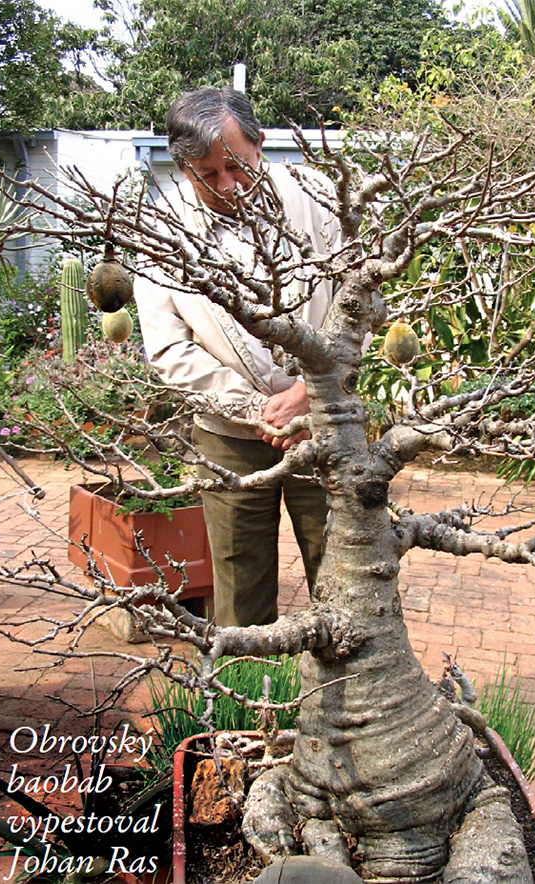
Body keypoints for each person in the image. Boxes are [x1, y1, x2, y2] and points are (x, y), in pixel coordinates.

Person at [134, 86, 341, 628]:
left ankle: (349, 705)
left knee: (343, 574)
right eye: (207, 174)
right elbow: (169, 351)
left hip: (328, 423)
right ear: (182, 169)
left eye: (236, 167)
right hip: (227, 436)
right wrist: (259, 409)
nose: (226, 186)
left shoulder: (319, 197)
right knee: (238, 587)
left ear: (260, 145)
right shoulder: (160, 232)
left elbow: (360, 303)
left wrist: (307, 395)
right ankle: (247, 706)